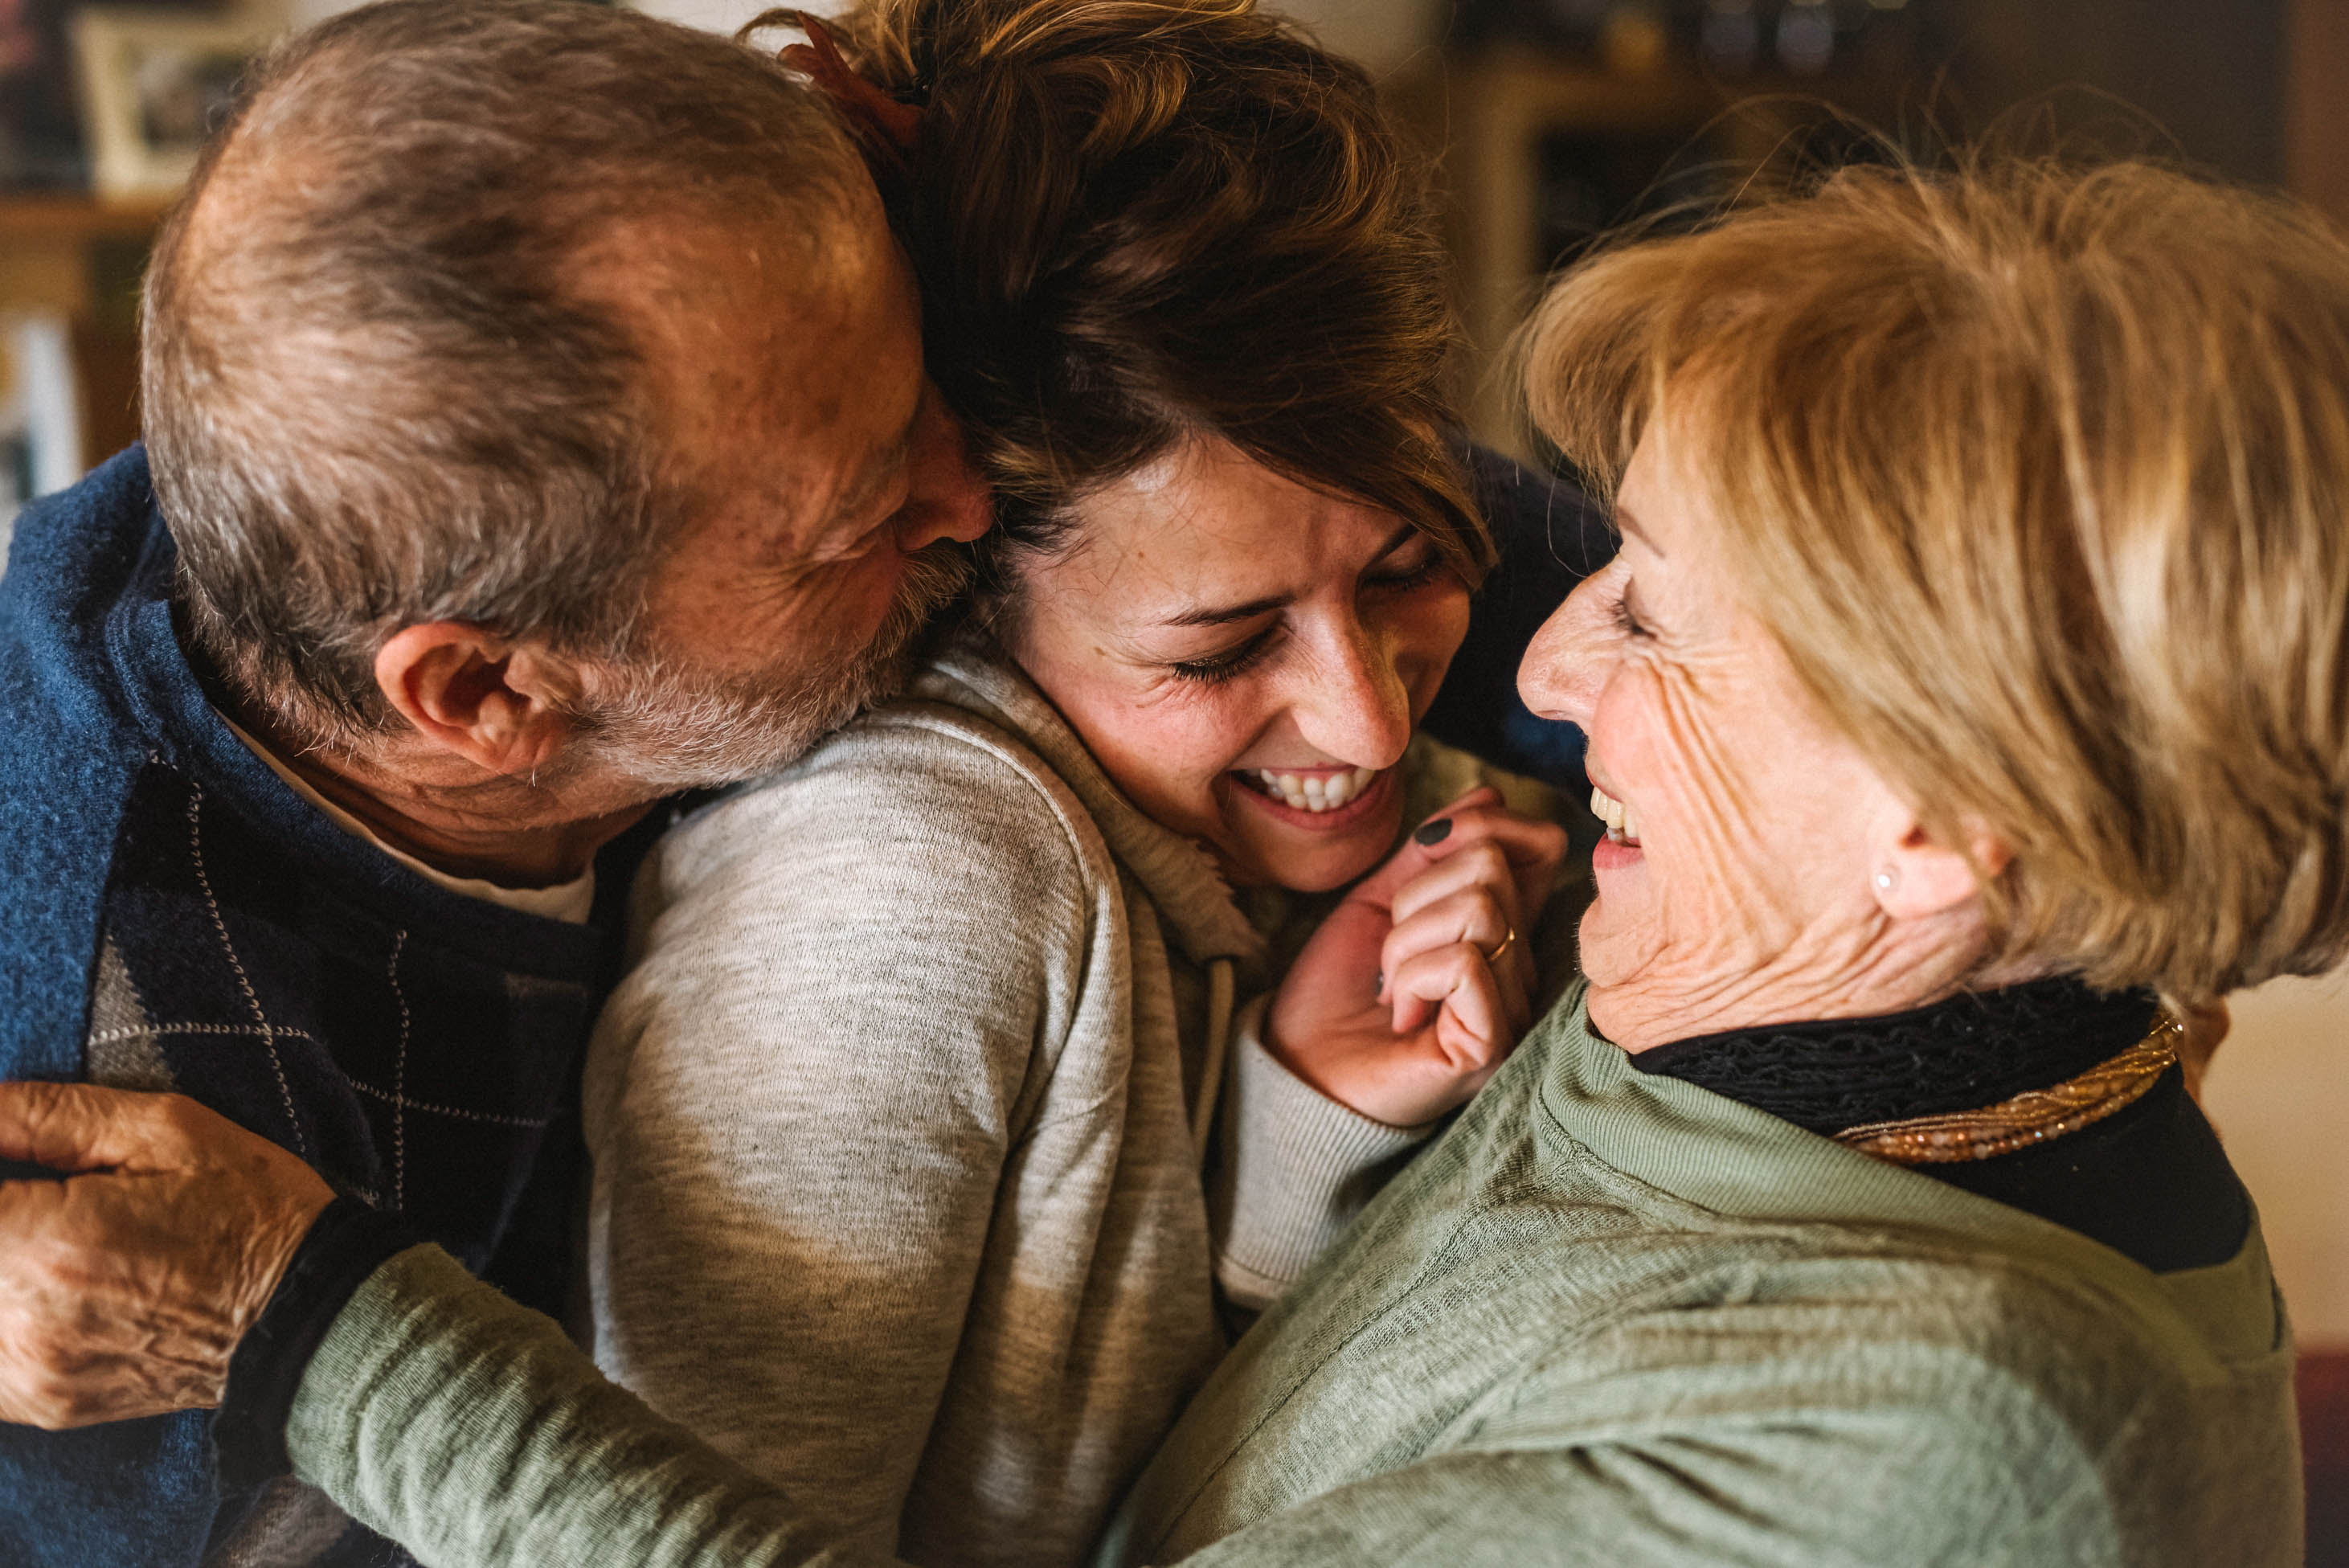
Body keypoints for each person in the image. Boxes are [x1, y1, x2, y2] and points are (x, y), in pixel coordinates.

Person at [4, 152, 2333, 1566]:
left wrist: (305, 1326)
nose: (1540, 674)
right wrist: (1309, 1144)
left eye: (1662, 624)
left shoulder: (1927, 1458)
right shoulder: (1890, 994)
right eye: (1595, 562)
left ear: (1947, 809)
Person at [0, 2, 1591, 1561]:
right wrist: (316, 1327)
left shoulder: (378, 431)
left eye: (930, 409)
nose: (968, 498)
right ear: (493, 692)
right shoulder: (137, 1110)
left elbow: (1349, 496)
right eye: (867, 512)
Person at [571, 7, 1582, 1563]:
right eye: (1223, 646)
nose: (1372, 725)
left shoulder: (1377, 822)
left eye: (1411, 566)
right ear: (955, 578)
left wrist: (1293, 1132)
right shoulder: (888, 898)